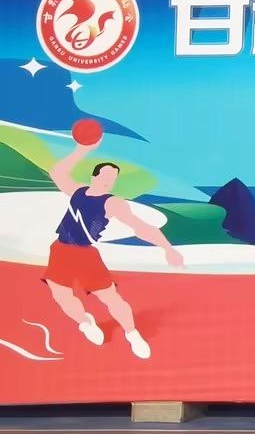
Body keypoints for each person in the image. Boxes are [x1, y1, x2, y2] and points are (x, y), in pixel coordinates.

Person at [43, 140, 184, 358]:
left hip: (85, 254)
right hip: (60, 250)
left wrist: (167, 248)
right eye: (106, 175)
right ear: (94, 176)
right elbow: (56, 173)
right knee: (61, 295)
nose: (109, 180)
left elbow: (141, 227)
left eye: (113, 178)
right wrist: (82, 150)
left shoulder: (113, 203)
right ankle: (85, 322)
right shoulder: (78, 191)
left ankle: (132, 334)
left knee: (110, 298)